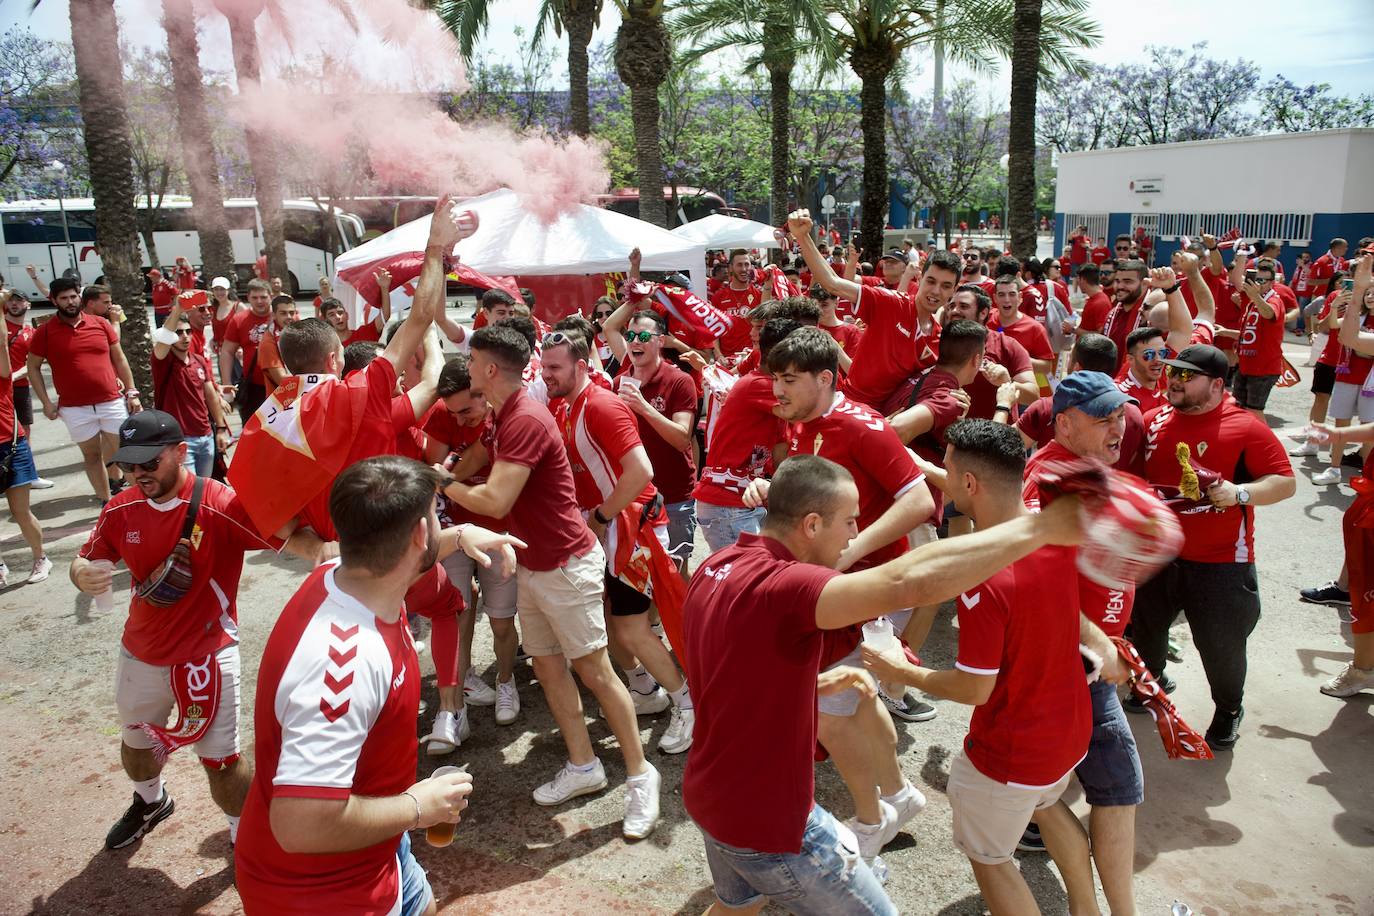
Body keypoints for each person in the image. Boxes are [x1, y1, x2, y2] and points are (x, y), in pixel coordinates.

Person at [683, 452, 1089, 916]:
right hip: (769, 822)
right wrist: (1039, 529)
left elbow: (729, 668)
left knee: (738, 909)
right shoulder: (787, 588)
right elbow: (907, 582)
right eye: (851, 521)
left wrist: (805, 686)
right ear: (811, 525)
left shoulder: (719, 567)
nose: (857, 534)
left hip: (712, 798)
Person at [862, 420, 1123, 916]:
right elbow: (1073, 617)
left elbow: (974, 688)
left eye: (948, 468)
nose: (942, 474)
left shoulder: (983, 578)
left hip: (1013, 750)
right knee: (1048, 806)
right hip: (1068, 732)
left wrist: (901, 667)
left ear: (969, 485)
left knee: (991, 858)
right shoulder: (1052, 531)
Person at [234, 456, 517, 915]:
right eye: (435, 516)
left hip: (376, 853)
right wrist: (415, 807)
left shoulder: (342, 575)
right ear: (419, 536)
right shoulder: (343, 665)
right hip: (327, 896)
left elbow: (398, 556)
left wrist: (463, 536)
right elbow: (300, 825)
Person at [439, 324, 662, 839]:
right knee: (547, 666)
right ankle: (584, 765)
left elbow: (495, 501)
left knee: (594, 671)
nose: (466, 368)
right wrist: (449, 465)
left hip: (565, 565)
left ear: (490, 370)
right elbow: (480, 455)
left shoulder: (524, 418)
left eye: (471, 362)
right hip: (534, 564)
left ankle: (639, 775)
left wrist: (443, 480)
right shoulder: (503, 413)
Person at [69, 410, 321, 851]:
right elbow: (86, 556)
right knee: (136, 746)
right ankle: (151, 801)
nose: (137, 474)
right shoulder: (119, 507)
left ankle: (245, 839)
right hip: (140, 653)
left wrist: (335, 550)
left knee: (222, 764)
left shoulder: (220, 503)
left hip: (208, 653)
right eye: (129, 465)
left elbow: (293, 539)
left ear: (181, 453)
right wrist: (80, 574)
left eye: (149, 463)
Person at [765, 328, 936, 852]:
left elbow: (920, 503)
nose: (777, 391)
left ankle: (870, 821)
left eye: (788, 380)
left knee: (832, 712)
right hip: (835, 587)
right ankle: (899, 797)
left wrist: (852, 551)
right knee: (859, 702)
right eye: (774, 378)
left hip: (863, 587)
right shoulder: (801, 422)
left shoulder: (864, 426)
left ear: (824, 378)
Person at [1018, 373, 1145, 910]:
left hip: (1089, 662)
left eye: (1121, 415)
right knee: (1116, 785)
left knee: (1068, 786)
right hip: (1069, 665)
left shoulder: (1087, 469)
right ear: (1064, 424)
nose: (1119, 427)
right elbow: (1032, 574)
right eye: (1104, 419)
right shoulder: (1050, 478)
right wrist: (1098, 640)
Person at [1132, 344, 1295, 750]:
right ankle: (1152, 684)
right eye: (1173, 373)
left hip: (1220, 562)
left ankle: (1228, 709)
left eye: (1187, 376)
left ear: (1217, 384)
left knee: (1221, 648)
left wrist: (1239, 492)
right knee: (1145, 634)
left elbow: (1284, 482)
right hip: (1159, 556)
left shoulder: (1246, 426)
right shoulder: (1154, 422)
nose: (1175, 381)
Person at [542, 329, 695, 752]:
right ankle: (647, 693)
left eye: (554, 366)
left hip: (632, 529)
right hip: (609, 529)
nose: (546, 373)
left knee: (630, 630)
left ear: (581, 367)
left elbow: (642, 471)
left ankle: (688, 704)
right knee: (611, 626)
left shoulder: (602, 406)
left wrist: (602, 515)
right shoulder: (566, 405)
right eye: (544, 365)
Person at [426, 356, 521, 728]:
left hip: (501, 530)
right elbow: (432, 479)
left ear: (483, 392)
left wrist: (452, 475)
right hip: (455, 531)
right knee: (458, 613)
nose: (460, 420)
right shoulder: (442, 413)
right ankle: (460, 688)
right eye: (454, 414)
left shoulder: (506, 413)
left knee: (501, 622)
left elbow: (447, 475)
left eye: (467, 409)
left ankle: (505, 681)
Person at [792, 209, 956, 410]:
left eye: (946, 286)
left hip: (890, 423)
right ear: (920, 277)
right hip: (853, 410)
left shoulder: (938, 342)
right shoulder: (890, 302)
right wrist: (802, 236)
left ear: (954, 290)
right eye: (931, 281)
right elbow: (832, 283)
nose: (936, 291)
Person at [27, 277, 141, 503]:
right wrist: (46, 403)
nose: (70, 302)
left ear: (79, 296)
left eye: (73, 296)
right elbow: (33, 367)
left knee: (126, 454)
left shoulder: (101, 324)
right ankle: (106, 504)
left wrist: (131, 392)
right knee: (91, 456)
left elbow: (119, 359)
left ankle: (142, 501)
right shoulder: (45, 332)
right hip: (74, 409)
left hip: (111, 402)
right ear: (54, 301)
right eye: (63, 298)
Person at [602, 309, 699, 570]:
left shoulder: (680, 381)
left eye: (644, 335)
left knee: (674, 574)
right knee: (638, 578)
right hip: (631, 497)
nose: (635, 341)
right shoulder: (619, 382)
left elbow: (681, 439)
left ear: (661, 341)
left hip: (673, 495)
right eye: (631, 335)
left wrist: (644, 407)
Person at [693, 319, 798, 552]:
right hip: (728, 503)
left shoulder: (771, 391)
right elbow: (807, 411)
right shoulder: (760, 385)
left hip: (747, 501)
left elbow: (782, 453)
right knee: (745, 584)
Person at [151, 295, 232, 476]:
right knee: (188, 492)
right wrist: (178, 309)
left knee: (202, 490)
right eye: (179, 333)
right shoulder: (163, 362)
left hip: (206, 437)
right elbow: (164, 339)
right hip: (179, 440)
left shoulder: (199, 361)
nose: (185, 337)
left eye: (188, 331)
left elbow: (210, 396)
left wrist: (220, 429)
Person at [0, 313, 49, 586]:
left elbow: (2, 346)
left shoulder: (2, 374)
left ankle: (41, 558)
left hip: (10, 446)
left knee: (20, 511)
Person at [2, 287, 53, 489]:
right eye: (11, 301)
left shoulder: (32, 333)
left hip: (21, 388)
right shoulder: (1, 327)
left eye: (20, 301)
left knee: (24, 431)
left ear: (28, 305)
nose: (15, 304)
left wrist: (16, 375)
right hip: (2, 390)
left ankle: (28, 475)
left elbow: (35, 363)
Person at [1229, 257, 1286, 420]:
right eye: (1255, 279)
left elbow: (1269, 314)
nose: (1258, 283)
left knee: (1254, 411)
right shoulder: (1252, 301)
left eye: (1262, 280)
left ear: (1271, 282)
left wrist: (1256, 296)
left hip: (1264, 368)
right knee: (1238, 410)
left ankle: (1265, 445)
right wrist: (1225, 331)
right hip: (1245, 365)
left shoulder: (1274, 300)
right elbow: (1248, 333)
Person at [219, 279, 274, 424]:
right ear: (248, 298)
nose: (259, 301)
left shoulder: (283, 316)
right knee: (252, 429)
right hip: (253, 387)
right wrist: (227, 384)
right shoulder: (239, 320)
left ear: (271, 296)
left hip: (281, 384)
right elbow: (227, 352)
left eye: (263, 297)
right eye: (255, 298)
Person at [991, 275, 1055, 395]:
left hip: (1019, 393)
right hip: (987, 389)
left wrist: (1018, 359)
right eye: (1001, 294)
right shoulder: (986, 319)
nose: (1006, 299)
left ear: (1020, 297)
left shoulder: (1035, 328)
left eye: (1012, 294)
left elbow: (1047, 367)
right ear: (995, 298)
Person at [710, 249, 763, 357]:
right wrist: (718, 354)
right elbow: (713, 330)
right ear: (730, 268)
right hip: (727, 359)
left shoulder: (759, 295)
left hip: (752, 358)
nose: (744, 269)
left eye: (746, 264)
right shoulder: (718, 297)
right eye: (739, 265)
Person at [1101, 260, 1150, 374]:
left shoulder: (1151, 317)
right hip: (1112, 384)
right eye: (1117, 281)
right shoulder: (1112, 314)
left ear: (1144, 284)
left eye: (1128, 282)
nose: (1120, 286)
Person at [255, 294, 300, 396]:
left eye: (291, 313)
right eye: (283, 313)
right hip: (282, 402)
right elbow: (282, 381)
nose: (289, 317)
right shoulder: (268, 342)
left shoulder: (298, 333)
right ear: (274, 315)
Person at [1117, 326, 1168, 413]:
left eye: (1162, 353)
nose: (1158, 360)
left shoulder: (1169, 377)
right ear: (1130, 359)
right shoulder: (1121, 398)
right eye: (1148, 354)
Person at [1075, 263, 1114, 334]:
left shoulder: (1100, 303)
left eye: (1078, 279)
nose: (1078, 283)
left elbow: (1101, 334)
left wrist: (1073, 330)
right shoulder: (1094, 298)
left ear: (1083, 280)